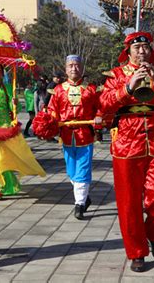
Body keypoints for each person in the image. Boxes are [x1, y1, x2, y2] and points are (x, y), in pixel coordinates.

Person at [99, 32, 154, 272]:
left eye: (146, 47)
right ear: (128, 52)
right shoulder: (116, 75)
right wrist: (128, 87)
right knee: (129, 203)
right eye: (137, 48)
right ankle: (137, 252)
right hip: (126, 143)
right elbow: (104, 103)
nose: (142, 52)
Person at [0, 64, 46, 200]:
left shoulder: (7, 87)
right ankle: (5, 183)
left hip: (4, 128)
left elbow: (14, 111)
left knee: (0, 158)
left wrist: (15, 104)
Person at [44, 55, 102, 220]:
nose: (74, 68)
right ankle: (84, 196)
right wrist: (49, 123)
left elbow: (101, 107)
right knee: (71, 171)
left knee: (82, 170)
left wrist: (98, 118)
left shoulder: (91, 89)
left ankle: (79, 205)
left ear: (81, 67)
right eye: (70, 66)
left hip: (85, 135)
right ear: (65, 69)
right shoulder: (59, 90)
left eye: (77, 65)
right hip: (67, 135)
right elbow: (52, 110)